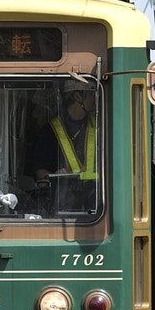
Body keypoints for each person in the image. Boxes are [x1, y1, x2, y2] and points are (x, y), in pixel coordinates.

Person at [26, 80, 98, 213]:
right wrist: (54, 175)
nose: (95, 98)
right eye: (90, 94)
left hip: (96, 204)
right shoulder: (49, 131)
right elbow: (40, 173)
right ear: (78, 97)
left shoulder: (99, 125)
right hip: (64, 205)